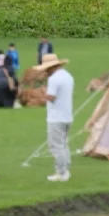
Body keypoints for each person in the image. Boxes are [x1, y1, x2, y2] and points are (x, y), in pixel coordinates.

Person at [41, 52, 74, 183]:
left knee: (56, 146)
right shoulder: (68, 76)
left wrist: (44, 91)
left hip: (56, 117)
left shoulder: (53, 79)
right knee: (64, 143)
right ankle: (66, 167)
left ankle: (61, 172)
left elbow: (51, 97)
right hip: (67, 115)